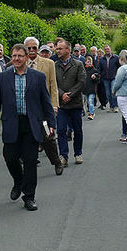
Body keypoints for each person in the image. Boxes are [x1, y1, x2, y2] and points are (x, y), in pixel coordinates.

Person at [0, 44, 56, 211]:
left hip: (31, 124)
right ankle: (18, 181)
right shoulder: (3, 78)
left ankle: (29, 196)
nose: (17, 58)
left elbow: (46, 102)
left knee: (30, 160)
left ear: (26, 57)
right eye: (14, 55)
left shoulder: (37, 77)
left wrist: (51, 124)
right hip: (11, 123)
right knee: (10, 157)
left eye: (20, 55)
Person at [55, 39, 86, 167]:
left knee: (77, 130)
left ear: (68, 50)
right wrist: (61, 94)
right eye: (57, 49)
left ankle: (78, 153)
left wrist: (70, 94)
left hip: (75, 104)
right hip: (61, 104)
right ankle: (63, 155)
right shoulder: (54, 65)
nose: (57, 51)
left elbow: (82, 82)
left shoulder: (78, 64)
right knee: (61, 130)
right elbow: (52, 83)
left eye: (60, 49)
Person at [98, 45, 119, 111]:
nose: (107, 50)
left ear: (110, 49)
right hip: (105, 78)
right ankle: (111, 106)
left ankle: (115, 106)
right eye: (106, 49)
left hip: (113, 77)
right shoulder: (102, 59)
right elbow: (99, 69)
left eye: (108, 49)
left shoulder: (116, 57)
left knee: (113, 91)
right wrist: (99, 75)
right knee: (108, 94)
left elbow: (119, 67)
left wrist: (117, 75)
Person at [84, 54, 100, 119]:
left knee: (90, 101)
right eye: (88, 62)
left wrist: (94, 77)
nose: (89, 63)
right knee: (86, 101)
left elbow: (98, 80)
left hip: (92, 89)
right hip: (84, 89)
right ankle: (85, 112)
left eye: (90, 62)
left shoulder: (94, 70)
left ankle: (91, 113)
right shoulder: (83, 70)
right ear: (85, 62)